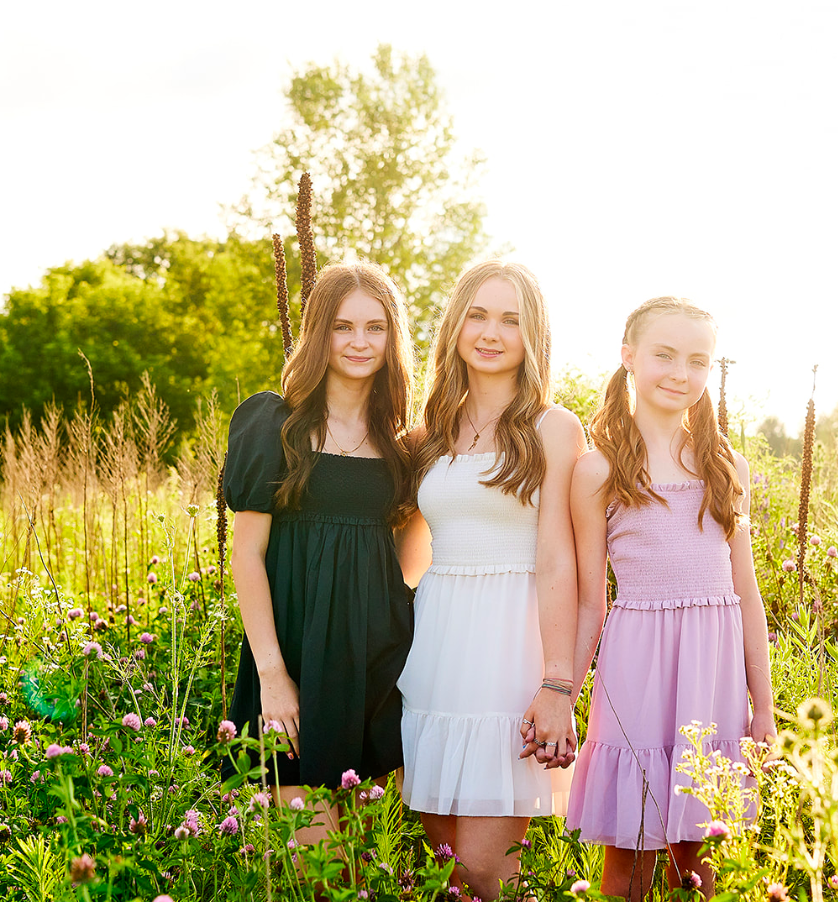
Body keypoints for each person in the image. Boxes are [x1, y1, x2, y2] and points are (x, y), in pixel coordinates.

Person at [564, 296, 777, 901]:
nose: (681, 373)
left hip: (712, 673)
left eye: (697, 361)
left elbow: (746, 593)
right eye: (664, 355)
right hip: (638, 668)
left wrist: (763, 706)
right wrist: (563, 697)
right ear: (628, 356)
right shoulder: (598, 470)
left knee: (699, 855)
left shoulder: (724, 465)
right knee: (630, 855)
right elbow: (589, 602)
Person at [396, 259, 586, 901]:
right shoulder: (427, 435)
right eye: (477, 315)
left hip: (511, 655)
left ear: (533, 336)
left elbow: (558, 560)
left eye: (510, 319)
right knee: (447, 866)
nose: (490, 332)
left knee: (486, 869)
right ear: (455, 325)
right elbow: (410, 561)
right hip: (436, 653)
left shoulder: (553, 428)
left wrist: (557, 684)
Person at [224, 262, 415, 845]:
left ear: (392, 337)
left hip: (375, 666)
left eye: (375, 327)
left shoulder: (399, 442)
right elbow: (246, 555)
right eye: (342, 326)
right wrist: (273, 676)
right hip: (294, 661)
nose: (360, 342)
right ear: (318, 334)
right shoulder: (275, 425)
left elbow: (407, 559)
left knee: (364, 862)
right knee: (314, 864)